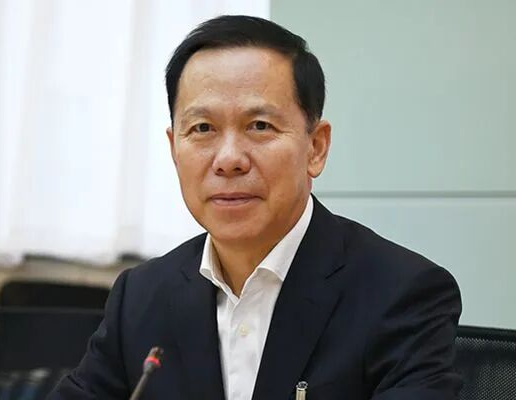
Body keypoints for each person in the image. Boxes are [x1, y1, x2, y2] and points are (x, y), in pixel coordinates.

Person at [49, 15, 462, 400]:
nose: (229, 159)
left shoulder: (402, 293)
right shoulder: (140, 298)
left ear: (316, 148)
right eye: (203, 128)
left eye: (259, 126)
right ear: (174, 148)